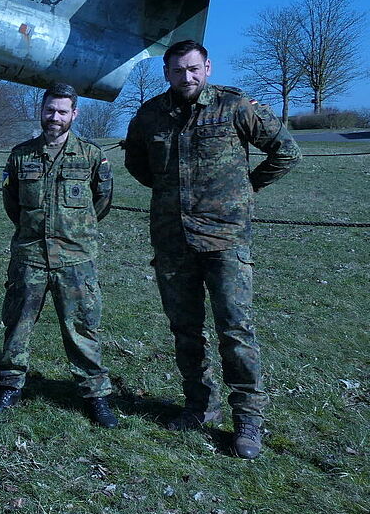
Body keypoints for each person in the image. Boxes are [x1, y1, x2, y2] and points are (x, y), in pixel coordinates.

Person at [124, 39, 301, 459]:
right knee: (185, 331)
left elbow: (286, 151)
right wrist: (172, 194)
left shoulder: (235, 107)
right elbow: (137, 164)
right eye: (177, 70)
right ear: (166, 72)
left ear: (208, 67)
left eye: (193, 69)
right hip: (172, 240)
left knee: (235, 331)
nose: (186, 77)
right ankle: (200, 406)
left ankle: (249, 420)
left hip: (225, 240)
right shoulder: (150, 115)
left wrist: (246, 189)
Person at [0, 83, 117, 426]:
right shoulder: (21, 155)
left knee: (82, 328)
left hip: (76, 259)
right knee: (17, 325)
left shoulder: (91, 156)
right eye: (50, 110)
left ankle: (95, 394)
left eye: (62, 111)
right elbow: (12, 204)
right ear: (41, 111)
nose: (55, 118)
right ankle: (9, 384)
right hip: (30, 256)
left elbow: (101, 202)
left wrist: (73, 231)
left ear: (74, 114)